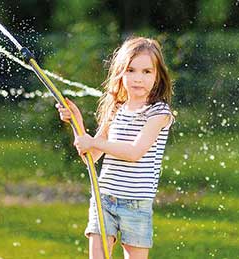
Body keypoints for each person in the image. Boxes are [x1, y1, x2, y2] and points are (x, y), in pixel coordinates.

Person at [56, 36, 174, 259]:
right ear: (121, 73)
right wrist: (77, 123)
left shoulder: (159, 114)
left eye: (146, 72)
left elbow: (134, 152)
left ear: (158, 76)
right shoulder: (116, 110)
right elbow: (91, 156)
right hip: (105, 200)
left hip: (136, 205)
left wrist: (93, 141)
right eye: (131, 70)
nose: (138, 78)